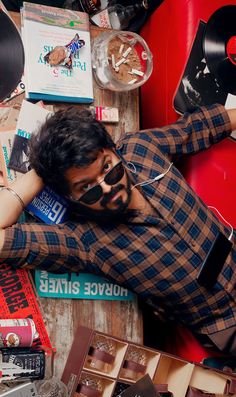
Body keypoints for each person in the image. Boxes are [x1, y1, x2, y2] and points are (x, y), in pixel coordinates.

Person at [0, 103, 235, 355]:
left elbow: (200, 127)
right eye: (86, 188)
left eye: (108, 168)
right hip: (226, 324)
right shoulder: (83, 241)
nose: (107, 188)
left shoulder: (141, 149)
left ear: (114, 149)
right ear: (68, 195)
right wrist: (43, 172)